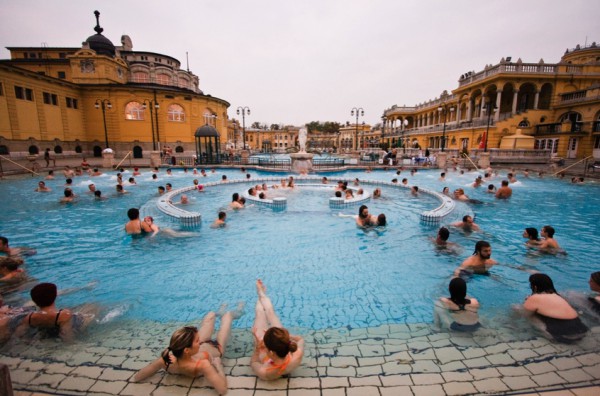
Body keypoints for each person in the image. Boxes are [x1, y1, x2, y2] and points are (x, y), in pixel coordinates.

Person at [134, 308, 243, 394]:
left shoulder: (166, 360)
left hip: (198, 349)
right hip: (216, 348)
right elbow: (222, 390)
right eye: (196, 340)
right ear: (186, 350)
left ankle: (220, 312)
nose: (199, 339)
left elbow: (138, 377)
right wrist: (219, 366)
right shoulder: (202, 364)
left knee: (210, 315)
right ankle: (236, 310)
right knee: (227, 316)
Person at [251, 280, 304, 380]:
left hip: (266, 352)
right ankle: (261, 293)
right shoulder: (297, 355)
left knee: (261, 313)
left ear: (270, 352)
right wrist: (283, 336)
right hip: (278, 345)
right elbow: (300, 339)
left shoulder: (266, 372)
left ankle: (260, 295)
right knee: (270, 313)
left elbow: (253, 362)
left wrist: (257, 348)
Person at [15, 282, 98, 342]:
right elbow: (66, 333)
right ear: (55, 297)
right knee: (93, 306)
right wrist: (72, 344)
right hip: (64, 324)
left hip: (47, 330)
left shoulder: (29, 317)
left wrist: (27, 341)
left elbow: (19, 333)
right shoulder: (64, 314)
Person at [521, 273, 588, 343]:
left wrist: (527, 302)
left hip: (563, 335)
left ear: (535, 287)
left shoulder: (534, 298)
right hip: (581, 329)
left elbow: (525, 314)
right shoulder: (558, 296)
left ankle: (546, 333)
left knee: (523, 311)